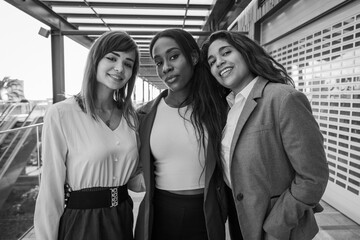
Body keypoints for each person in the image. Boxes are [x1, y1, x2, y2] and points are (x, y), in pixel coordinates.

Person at [201, 30, 329, 240]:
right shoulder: (228, 108)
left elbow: (313, 177)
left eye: (226, 52)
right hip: (240, 218)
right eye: (212, 61)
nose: (219, 63)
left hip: (277, 225)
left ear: (245, 52)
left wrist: (276, 228)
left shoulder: (283, 99)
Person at [34, 31, 142, 240]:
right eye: (112, 58)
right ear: (95, 60)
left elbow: (133, 179)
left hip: (121, 216)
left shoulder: (131, 117)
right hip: (82, 223)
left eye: (128, 64)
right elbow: (50, 188)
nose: (120, 68)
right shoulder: (61, 114)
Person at [135, 28, 228, 240]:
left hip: (206, 213)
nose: (166, 68)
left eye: (174, 57)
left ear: (193, 57)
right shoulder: (144, 114)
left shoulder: (219, 108)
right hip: (160, 214)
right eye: (159, 62)